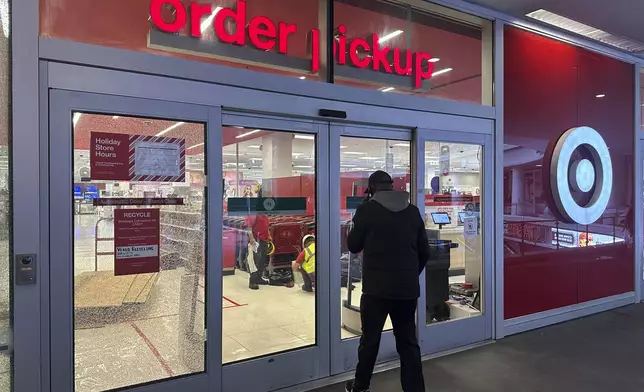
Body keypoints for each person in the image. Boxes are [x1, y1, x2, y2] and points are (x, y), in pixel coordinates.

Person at [345, 170, 430, 392]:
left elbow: (353, 245)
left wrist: (359, 216)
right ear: (392, 186)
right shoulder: (413, 212)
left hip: (376, 291)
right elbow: (424, 252)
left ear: (372, 188)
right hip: (406, 290)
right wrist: (410, 274)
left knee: (370, 342)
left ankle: (360, 387)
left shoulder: (366, 210)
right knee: (408, 343)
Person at [245, 213, 270, 290]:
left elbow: (266, 226)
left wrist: (269, 235)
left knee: (262, 260)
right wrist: (251, 238)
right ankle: (252, 281)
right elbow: (249, 227)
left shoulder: (264, 213)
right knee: (255, 261)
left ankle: (258, 278)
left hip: (264, 239)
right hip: (256, 240)